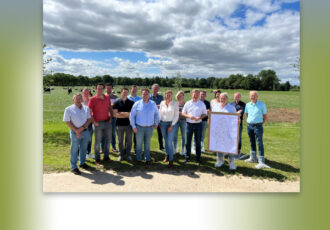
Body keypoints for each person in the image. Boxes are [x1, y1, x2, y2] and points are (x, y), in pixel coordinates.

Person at [63, 94, 92, 175]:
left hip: (85, 131)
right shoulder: (68, 109)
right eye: (77, 99)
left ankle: (82, 163)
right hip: (74, 132)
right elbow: (67, 122)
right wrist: (76, 131)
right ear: (73, 100)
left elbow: (89, 120)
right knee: (74, 149)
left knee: (84, 148)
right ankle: (74, 167)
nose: (79, 100)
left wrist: (81, 129)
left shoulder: (86, 108)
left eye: (80, 98)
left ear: (82, 100)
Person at [129, 88, 159, 165]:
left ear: (149, 95)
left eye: (146, 94)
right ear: (141, 95)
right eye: (143, 94)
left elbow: (157, 114)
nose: (145, 95)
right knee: (138, 144)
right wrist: (133, 126)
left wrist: (156, 123)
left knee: (147, 144)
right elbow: (132, 116)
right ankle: (139, 158)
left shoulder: (153, 103)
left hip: (150, 127)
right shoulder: (137, 104)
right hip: (139, 127)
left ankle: (147, 158)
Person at [211, 92, 238, 170]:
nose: (222, 99)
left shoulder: (231, 108)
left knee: (230, 145)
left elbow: (234, 119)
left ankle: (231, 162)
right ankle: (220, 160)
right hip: (219, 130)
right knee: (219, 145)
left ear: (227, 99)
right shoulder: (215, 107)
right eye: (221, 98)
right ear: (219, 99)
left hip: (228, 130)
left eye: (224, 98)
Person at [244, 91, 270, 169]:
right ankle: (253, 158)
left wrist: (259, 123)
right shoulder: (247, 105)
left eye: (254, 95)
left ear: (257, 96)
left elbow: (264, 116)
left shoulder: (262, 105)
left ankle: (261, 161)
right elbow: (247, 114)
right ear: (249, 96)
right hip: (249, 126)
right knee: (252, 142)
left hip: (258, 126)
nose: (253, 96)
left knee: (259, 143)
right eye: (251, 95)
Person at [88, 83, 113, 165]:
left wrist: (111, 118)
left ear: (104, 89)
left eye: (102, 88)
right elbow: (89, 112)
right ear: (96, 89)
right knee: (97, 142)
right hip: (97, 123)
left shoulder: (107, 97)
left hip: (107, 122)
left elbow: (110, 108)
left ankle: (106, 157)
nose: (100, 90)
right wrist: (94, 122)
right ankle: (97, 159)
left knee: (108, 140)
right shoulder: (92, 99)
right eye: (98, 88)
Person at [181, 89, 207, 166]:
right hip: (189, 124)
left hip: (198, 125)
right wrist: (189, 116)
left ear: (199, 95)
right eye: (194, 94)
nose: (195, 95)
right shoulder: (188, 103)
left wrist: (199, 117)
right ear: (191, 94)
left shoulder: (202, 104)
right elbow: (183, 113)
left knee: (198, 142)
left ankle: (198, 158)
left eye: (197, 94)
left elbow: (205, 114)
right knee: (188, 142)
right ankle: (187, 157)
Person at [113, 88, 134, 162]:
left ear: (128, 93)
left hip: (129, 125)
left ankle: (128, 155)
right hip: (119, 125)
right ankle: (121, 155)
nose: (124, 93)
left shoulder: (131, 103)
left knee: (129, 141)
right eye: (123, 92)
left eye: (126, 92)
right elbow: (115, 114)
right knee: (120, 141)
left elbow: (132, 115)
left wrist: (121, 113)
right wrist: (126, 114)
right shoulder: (117, 102)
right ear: (121, 93)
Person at [159, 90, 179, 167]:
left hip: (172, 124)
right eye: (167, 94)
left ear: (172, 96)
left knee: (169, 141)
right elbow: (160, 113)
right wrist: (159, 122)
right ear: (165, 95)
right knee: (166, 141)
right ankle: (166, 155)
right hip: (163, 124)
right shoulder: (162, 103)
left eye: (170, 95)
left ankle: (171, 159)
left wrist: (172, 125)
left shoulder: (175, 104)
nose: (168, 96)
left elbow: (176, 116)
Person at [101, 83, 118, 152]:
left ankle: (113, 147)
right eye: (107, 88)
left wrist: (108, 105)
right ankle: (102, 148)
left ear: (112, 88)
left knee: (113, 133)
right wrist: (111, 105)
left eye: (110, 88)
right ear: (105, 88)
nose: (108, 89)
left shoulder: (115, 96)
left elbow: (117, 106)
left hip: (113, 117)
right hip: (103, 117)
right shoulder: (102, 96)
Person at [230, 92, 247, 160]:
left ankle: (238, 152)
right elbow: (229, 112)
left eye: (238, 96)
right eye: (235, 96)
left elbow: (241, 112)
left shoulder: (243, 104)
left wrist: (235, 113)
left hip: (239, 123)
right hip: (231, 123)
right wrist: (236, 113)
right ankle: (232, 151)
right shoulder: (231, 104)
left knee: (238, 138)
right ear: (234, 97)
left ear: (240, 97)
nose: (236, 97)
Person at [149, 83, 164, 151]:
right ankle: (147, 146)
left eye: (156, 88)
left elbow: (162, 106)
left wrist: (155, 106)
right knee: (148, 132)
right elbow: (148, 106)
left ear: (158, 89)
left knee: (160, 132)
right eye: (154, 88)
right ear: (152, 89)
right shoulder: (148, 97)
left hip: (159, 117)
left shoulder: (161, 97)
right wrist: (157, 106)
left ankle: (161, 146)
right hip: (150, 117)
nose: (155, 90)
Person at [127, 85, 142, 153]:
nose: (134, 91)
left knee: (137, 136)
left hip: (138, 119)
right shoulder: (127, 98)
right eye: (133, 89)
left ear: (137, 90)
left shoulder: (139, 99)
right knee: (128, 136)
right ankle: (127, 150)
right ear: (130, 90)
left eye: (135, 89)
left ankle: (136, 149)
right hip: (128, 119)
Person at [82, 87, 95, 159]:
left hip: (90, 122)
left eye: (88, 92)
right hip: (81, 123)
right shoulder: (80, 101)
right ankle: (79, 154)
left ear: (89, 93)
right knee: (81, 138)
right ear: (82, 93)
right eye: (85, 92)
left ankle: (88, 152)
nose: (86, 94)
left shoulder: (91, 101)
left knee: (89, 138)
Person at [173, 91, 187, 156]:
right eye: (178, 95)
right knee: (174, 136)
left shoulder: (186, 104)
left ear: (183, 96)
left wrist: (179, 113)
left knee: (183, 136)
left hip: (183, 121)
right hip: (176, 121)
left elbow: (187, 113)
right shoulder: (174, 103)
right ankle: (175, 148)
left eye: (181, 95)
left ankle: (183, 149)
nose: (180, 97)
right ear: (177, 96)